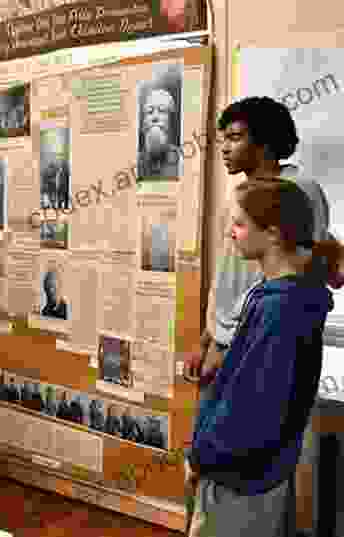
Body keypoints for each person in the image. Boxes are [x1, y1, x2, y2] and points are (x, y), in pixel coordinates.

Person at [185, 178, 340, 537]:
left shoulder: (281, 309)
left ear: (272, 233)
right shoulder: (276, 296)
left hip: (241, 480)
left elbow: (252, 407)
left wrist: (201, 457)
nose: (230, 232)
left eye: (239, 224)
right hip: (249, 474)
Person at [186, 97, 335, 389]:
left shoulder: (299, 190)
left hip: (262, 334)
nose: (225, 148)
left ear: (264, 142)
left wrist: (232, 341)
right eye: (223, 139)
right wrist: (208, 338)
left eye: (235, 138)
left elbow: (304, 270)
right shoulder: (239, 195)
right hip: (226, 336)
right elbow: (227, 275)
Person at [137, 88, 181, 179]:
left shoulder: (182, 160)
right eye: (149, 111)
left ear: (171, 120)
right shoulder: (135, 161)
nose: (155, 117)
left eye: (162, 111)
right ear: (144, 122)